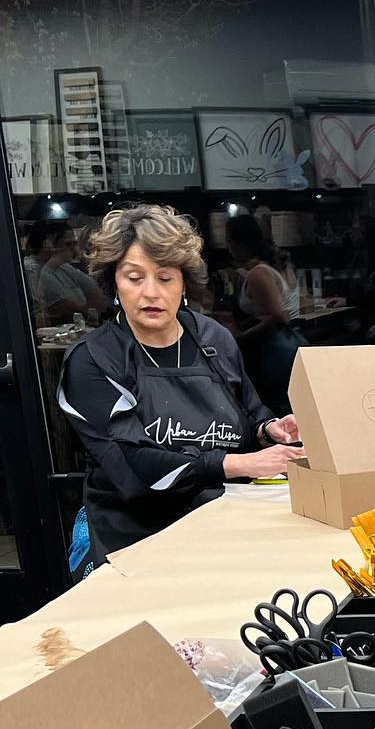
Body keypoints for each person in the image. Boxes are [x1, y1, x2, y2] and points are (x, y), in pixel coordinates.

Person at [57, 204, 303, 562]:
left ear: (184, 282)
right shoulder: (94, 358)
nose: (151, 293)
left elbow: (248, 419)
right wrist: (235, 465)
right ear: (114, 284)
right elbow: (131, 464)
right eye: (134, 277)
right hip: (137, 544)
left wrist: (269, 431)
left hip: (228, 531)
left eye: (165, 277)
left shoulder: (213, 340)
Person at [226, 213, 305, 415]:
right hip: (293, 341)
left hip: (274, 349)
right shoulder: (280, 266)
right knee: (294, 404)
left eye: (229, 240)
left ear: (239, 243)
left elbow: (278, 315)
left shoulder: (259, 273)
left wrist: (240, 336)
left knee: (279, 407)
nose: (228, 247)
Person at [24, 219, 105, 324]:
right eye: (68, 244)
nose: (73, 249)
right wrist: (89, 311)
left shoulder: (64, 267)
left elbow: (96, 291)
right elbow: (65, 308)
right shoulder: (31, 269)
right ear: (48, 245)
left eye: (74, 244)